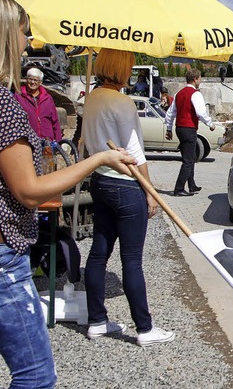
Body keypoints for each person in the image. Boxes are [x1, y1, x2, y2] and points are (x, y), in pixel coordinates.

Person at [0, 0, 136, 385]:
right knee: (36, 375)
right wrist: (99, 160)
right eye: (23, 33)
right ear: (3, 35)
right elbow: (30, 191)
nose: (27, 43)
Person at [82, 48, 175, 347]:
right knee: (132, 260)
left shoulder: (92, 97)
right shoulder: (123, 102)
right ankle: (145, 329)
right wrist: (150, 192)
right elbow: (135, 154)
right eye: (130, 66)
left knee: (99, 252)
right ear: (121, 68)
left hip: (100, 180)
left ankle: (97, 320)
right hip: (125, 184)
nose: (132, 72)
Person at [164, 69, 215, 197]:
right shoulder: (195, 94)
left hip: (179, 128)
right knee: (188, 160)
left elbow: (170, 113)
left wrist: (169, 129)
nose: (201, 80)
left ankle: (192, 185)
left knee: (190, 156)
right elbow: (200, 112)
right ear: (195, 79)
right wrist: (210, 123)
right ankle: (179, 188)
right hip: (189, 128)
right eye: (200, 78)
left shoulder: (179, 94)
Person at [14, 67, 62, 142]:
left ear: (40, 82)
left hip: (46, 140)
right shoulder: (19, 96)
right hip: (27, 140)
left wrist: (59, 141)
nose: (33, 82)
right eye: (30, 79)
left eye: (36, 80)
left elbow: (55, 120)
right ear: (26, 80)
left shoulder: (47, 98)